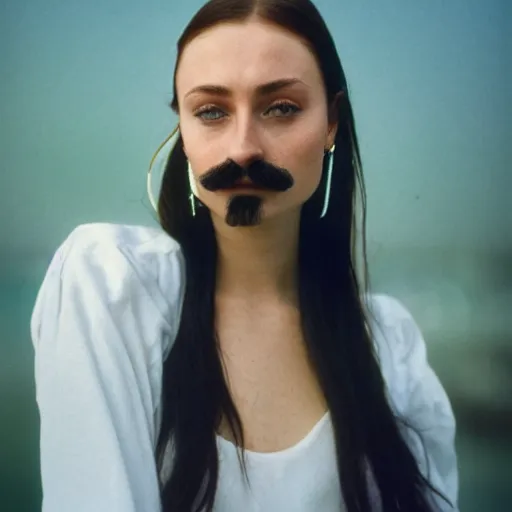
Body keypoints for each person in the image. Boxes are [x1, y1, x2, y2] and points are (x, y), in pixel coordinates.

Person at [31, 0, 459, 510]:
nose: (243, 148)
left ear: (331, 124)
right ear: (182, 135)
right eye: (211, 111)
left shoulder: (390, 349)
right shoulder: (112, 288)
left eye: (281, 108)